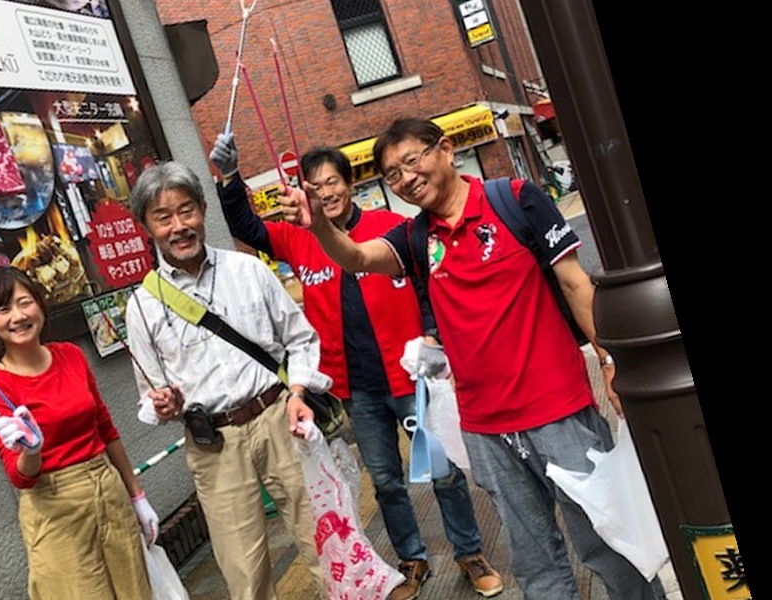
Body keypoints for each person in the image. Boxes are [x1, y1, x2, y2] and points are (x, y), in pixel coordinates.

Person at [275, 117, 667, 600]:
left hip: (559, 410)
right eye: (393, 174)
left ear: (445, 149)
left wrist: (610, 364)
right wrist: (318, 225)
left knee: (609, 544)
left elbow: (575, 284)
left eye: (412, 160)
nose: (406, 178)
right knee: (535, 565)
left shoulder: (515, 200)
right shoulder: (415, 237)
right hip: (485, 428)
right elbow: (356, 257)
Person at [209, 133, 504, 599]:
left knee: (444, 470)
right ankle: (411, 558)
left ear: (350, 184)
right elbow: (245, 224)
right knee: (385, 481)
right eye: (315, 186)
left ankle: (470, 553)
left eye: (333, 182)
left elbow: (429, 284)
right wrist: (229, 177)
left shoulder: (392, 228)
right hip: (356, 389)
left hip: (410, 378)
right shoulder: (299, 239)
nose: (326, 192)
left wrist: (433, 334)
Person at [122, 160, 331, 600]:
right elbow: (150, 396)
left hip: (278, 417)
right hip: (212, 444)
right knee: (244, 571)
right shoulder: (141, 306)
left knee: (325, 541)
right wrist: (163, 406)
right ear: (146, 226)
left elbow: (300, 339)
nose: (179, 226)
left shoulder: (248, 270)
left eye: (186, 211)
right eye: (163, 217)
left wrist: (297, 392)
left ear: (202, 209)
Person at [0, 265, 160, 600]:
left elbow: (105, 426)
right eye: (3, 309)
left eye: (25, 302)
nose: (18, 316)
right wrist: (30, 450)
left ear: (40, 305)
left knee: (135, 591)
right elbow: (20, 477)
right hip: (54, 508)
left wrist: (137, 495)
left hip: (108, 488)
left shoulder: (71, 355)